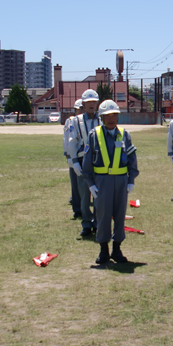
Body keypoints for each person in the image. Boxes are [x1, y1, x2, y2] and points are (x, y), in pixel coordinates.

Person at [81, 100, 138, 264]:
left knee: (120, 215)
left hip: (121, 180)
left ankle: (117, 249)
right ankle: (104, 250)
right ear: (101, 117)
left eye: (114, 115)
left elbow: (132, 157)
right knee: (103, 215)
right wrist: (90, 184)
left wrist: (131, 179)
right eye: (107, 116)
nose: (111, 119)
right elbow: (87, 162)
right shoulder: (94, 135)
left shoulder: (124, 134)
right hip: (102, 182)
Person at [68, 89, 101, 237]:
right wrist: (74, 161)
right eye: (88, 103)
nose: (91, 105)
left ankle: (98, 223)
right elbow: (72, 141)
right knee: (84, 194)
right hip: (82, 160)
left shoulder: (102, 119)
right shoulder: (76, 121)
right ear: (83, 104)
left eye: (93, 102)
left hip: (100, 160)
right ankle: (86, 224)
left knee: (99, 194)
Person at [63, 99, 83, 218]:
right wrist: (67, 153)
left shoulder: (88, 121)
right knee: (75, 184)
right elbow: (67, 138)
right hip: (74, 155)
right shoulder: (71, 121)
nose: (81, 111)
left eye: (82, 108)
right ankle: (77, 208)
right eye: (79, 109)